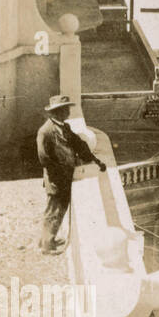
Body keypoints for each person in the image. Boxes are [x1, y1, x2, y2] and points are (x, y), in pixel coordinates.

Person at [37, 95, 106, 254]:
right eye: (64, 109)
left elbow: (79, 145)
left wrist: (95, 160)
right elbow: (44, 158)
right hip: (56, 179)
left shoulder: (65, 127)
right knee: (54, 210)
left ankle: (47, 239)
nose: (67, 112)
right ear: (56, 112)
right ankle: (47, 246)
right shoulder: (45, 131)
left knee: (58, 209)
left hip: (65, 177)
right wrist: (58, 176)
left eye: (67, 109)